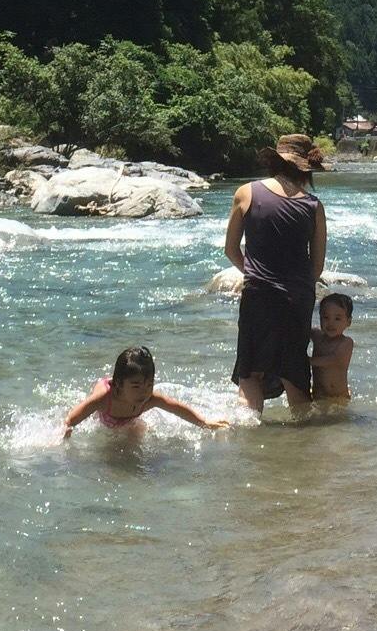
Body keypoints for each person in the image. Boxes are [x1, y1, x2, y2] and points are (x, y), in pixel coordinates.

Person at [226, 132, 329, 413]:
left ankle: (249, 441)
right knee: (295, 375)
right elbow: (316, 268)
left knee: (250, 374)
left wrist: (255, 274)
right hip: (297, 299)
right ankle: (304, 445)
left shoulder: (246, 193)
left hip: (259, 295)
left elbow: (231, 249)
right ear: (305, 170)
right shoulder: (313, 206)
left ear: (275, 162)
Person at [62, 346, 229, 438]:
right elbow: (71, 419)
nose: (144, 392)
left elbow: (177, 408)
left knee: (137, 438)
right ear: (119, 384)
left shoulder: (150, 398)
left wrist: (205, 423)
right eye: (136, 386)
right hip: (108, 411)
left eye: (149, 385)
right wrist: (66, 431)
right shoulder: (104, 399)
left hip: (129, 419)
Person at [311, 292, 356, 402]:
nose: (331, 323)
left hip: (338, 397)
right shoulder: (317, 336)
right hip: (318, 394)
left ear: (348, 322)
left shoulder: (346, 343)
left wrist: (307, 361)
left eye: (337, 319)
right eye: (326, 317)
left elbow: (332, 360)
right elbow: (302, 330)